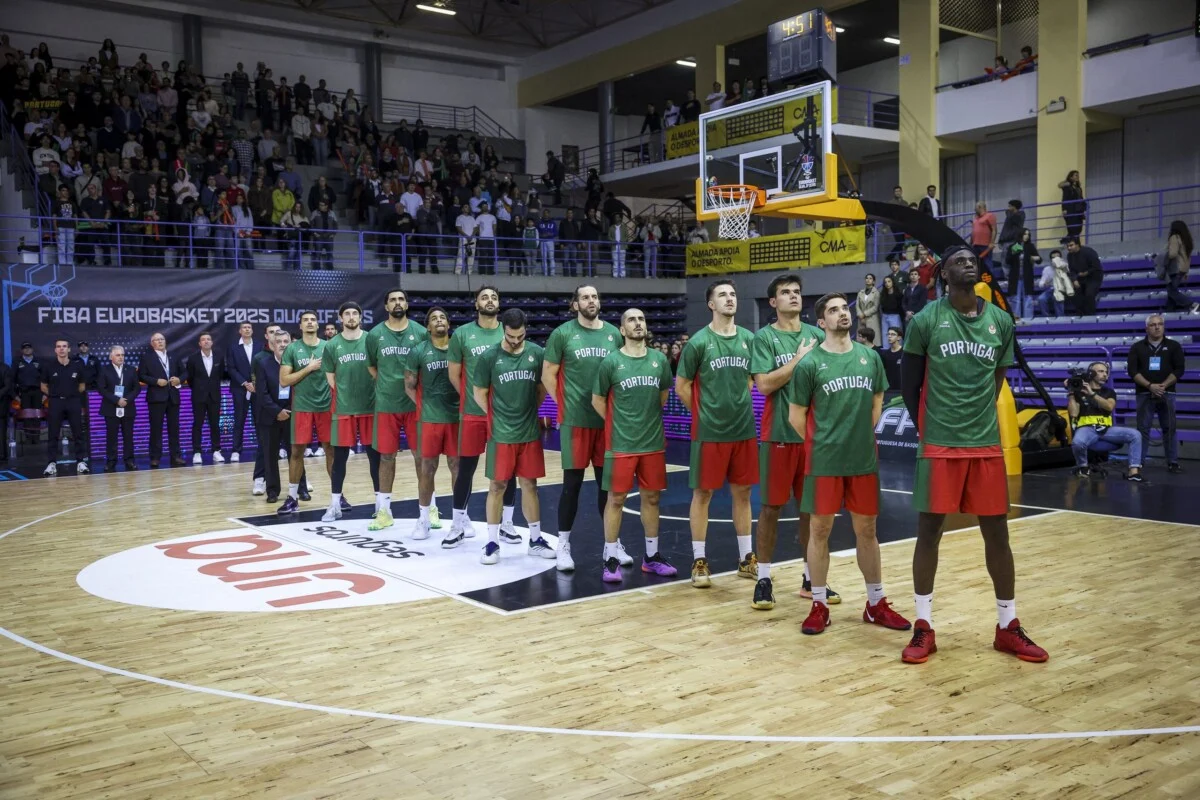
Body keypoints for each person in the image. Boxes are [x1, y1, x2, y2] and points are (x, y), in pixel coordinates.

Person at [900, 245, 1048, 664]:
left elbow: (995, 380)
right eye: (958, 260)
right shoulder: (926, 320)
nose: (968, 262)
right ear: (944, 274)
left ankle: (1008, 626)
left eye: (972, 258)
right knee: (929, 532)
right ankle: (923, 627)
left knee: (997, 533)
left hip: (984, 445)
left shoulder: (1000, 321)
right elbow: (909, 386)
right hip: (939, 445)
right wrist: (929, 429)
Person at [789, 293, 910, 636]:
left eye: (845, 308)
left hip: (862, 460)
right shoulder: (810, 364)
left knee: (868, 531)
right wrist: (825, 440)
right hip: (824, 461)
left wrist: (855, 438)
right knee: (819, 531)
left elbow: (876, 407)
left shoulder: (869, 358)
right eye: (833, 310)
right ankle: (819, 604)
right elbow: (796, 417)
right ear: (821, 322)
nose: (843, 313)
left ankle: (875, 603)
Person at [748, 275, 826, 610]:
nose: (793, 296)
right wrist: (798, 360)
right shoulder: (764, 338)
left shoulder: (819, 336)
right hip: (778, 434)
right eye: (785, 292)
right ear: (773, 302)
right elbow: (764, 385)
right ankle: (763, 578)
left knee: (811, 511)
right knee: (770, 509)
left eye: (797, 291)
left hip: (813, 438)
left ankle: (811, 579)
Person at [675, 280, 759, 588]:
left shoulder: (750, 339)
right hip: (709, 432)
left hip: (743, 430)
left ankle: (747, 559)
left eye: (733, 294)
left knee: (743, 493)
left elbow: (753, 379)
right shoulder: (698, 342)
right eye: (722, 295)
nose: (730, 299)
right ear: (711, 304)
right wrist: (704, 412)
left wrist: (736, 401)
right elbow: (682, 386)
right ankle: (699, 561)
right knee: (703, 494)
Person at [591, 308, 677, 582]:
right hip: (621, 444)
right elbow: (597, 400)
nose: (638, 323)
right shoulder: (611, 362)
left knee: (652, 498)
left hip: (652, 443)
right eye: (631, 319)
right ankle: (610, 558)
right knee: (615, 499)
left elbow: (661, 396)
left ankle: (651, 557)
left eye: (642, 318)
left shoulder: (659, 360)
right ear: (622, 330)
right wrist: (618, 423)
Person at [542, 285, 623, 572]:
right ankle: (563, 544)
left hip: (606, 422)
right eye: (585, 297)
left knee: (607, 487)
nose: (591, 301)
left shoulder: (614, 333)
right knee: (571, 486)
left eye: (595, 296)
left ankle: (611, 545)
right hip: (576, 421)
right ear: (575, 303)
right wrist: (565, 404)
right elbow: (547, 374)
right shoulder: (562, 334)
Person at [472, 308, 555, 565]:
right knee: (497, 486)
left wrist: (530, 412)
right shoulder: (489, 357)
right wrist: (497, 416)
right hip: (501, 433)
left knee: (530, 485)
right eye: (510, 337)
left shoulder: (537, 354)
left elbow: (541, 389)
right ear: (503, 331)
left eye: (520, 337)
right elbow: (479, 393)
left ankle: (535, 539)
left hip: (529, 432)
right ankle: (492, 543)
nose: (515, 341)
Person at [445, 286, 509, 547]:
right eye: (485, 297)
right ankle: (458, 524)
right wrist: (472, 398)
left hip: (504, 416)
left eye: (494, 296)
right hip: (472, 414)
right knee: (466, 470)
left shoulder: (508, 331)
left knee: (507, 471)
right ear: (476, 304)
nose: (490, 300)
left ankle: (507, 525)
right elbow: (454, 374)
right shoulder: (462, 334)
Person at [366, 289, 430, 531]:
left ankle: (428, 510)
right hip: (386, 405)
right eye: (392, 299)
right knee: (386, 457)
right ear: (386, 306)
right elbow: (372, 367)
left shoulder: (421, 332)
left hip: (415, 405)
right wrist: (388, 385)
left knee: (422, 457)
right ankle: (384, 511)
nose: (397, 302)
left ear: (407, 304)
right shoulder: (374, 335)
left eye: (401, 299)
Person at [320, 302, 379, 521]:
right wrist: (347, 393)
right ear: (340, 317)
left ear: (360, 317)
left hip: (370, 407)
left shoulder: (371, 340)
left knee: (375, 458)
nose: (351, 317)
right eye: (347, 314)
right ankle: (334, 504)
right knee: (339, 459)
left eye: (355, 313)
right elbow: (331, 378)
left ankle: (381, 505)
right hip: (343, 408)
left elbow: (379, 371)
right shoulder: (332, 344)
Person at [405, 307, 460, 540]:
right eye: (434, 318)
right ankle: (424, 519)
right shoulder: (418, 350)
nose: (439, 320)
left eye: (443, 317)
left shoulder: (459, 349)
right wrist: (423, 406)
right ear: (427, 327)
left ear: (448, 324)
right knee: (427, 469)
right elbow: (409, 385)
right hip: (429, 419)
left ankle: (460, 519)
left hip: (456, 417)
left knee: (457, 468)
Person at [279, 311, 333, 514]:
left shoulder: (328, 347)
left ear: (317, 325)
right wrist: (308, 368)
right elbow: (284, 380)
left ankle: (337, 496)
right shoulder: (292, 348)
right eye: (305, 320)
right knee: (296, 452)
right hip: (302, 407)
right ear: (300, 326)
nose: (310, 323)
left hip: (326, 406)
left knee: (331, 450)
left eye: (313, 320)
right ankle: (292, 497)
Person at [1127, 314, 1186, 474]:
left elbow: (1179, 369)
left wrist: (1163, 385)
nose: (1157, 327)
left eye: (1160, 324)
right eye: (1153, 325)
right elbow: (1132, 371)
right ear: (1147, 328)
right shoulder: (1137, 347)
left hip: (1168, 393)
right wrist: (1150, 386)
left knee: (1169, 428)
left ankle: (1172, 462)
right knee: (1143, 430)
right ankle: (1138, 463)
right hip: (1144, 393)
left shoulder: (1174, 346)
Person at [1066, 362, 1142, 481]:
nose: (1105, 375)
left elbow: (1109, 407)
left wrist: (1092, 394)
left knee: (1135, 435)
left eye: (1106, 372)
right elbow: (1074, 413)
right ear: (1091, 373)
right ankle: (1083, 467)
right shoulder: (1078, 392)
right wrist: (1071, 393)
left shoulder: (1109, 392)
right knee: (1078, 442)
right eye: (1101, 371)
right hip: (1087, 429)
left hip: (1106, 430)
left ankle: (1133, 472)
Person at [39, 338, 89, 476]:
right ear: (55, 350)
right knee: (53, 434)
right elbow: (43, 385)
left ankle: (80, 462)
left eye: (64, 346)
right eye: (58, 346)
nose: (61, 349)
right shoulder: (49, 366)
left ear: (69, 349)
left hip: (73, 401)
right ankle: (51, 463)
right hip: (56, 402)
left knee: (78, 433)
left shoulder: (77, 366)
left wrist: (71, 394)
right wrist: (55, 394)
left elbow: (82, 385)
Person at [254, 330, 293, 503]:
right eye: (279, 342)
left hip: (292, 416)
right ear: (272, 344)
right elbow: (261, 393)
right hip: (270, 417)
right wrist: (277, 411)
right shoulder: (262, 363)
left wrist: (289, 410)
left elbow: (300, 391)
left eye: (286, 341)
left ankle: (300, 488)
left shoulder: (296, 364)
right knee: (270, 456)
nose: (283, 344)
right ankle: (272, 491)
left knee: (296, 454)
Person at [137, 332, 184, 468]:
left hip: (173, 397)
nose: (160, 341)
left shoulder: (174, 355)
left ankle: (176, 456)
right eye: (157, 340)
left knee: (174, 428)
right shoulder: (147, 357)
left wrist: (179, 379)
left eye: (162, 339)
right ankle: (155, 457)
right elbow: (141, 376)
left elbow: (185, 372)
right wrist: (156, 381)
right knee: (156, 429)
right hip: (156, 397)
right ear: (152, 344)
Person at [181, 332, 226, 464]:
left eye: (208, 339)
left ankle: (216, 451)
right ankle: (197, 452)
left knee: (215, 425)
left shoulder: (219, 357)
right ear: (199, 344)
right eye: (203, 340)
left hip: (215, 396)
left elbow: (221, 375)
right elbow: (190, 378)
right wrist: (199, 389)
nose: (206, 341)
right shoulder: (193, 359)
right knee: (198, 425)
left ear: (212, 342)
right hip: (198, 396)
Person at [96, 345, 140, 471]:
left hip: (128, 407)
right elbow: (101, 388)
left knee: (128, 436)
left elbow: (136, 388)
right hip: (110, 407)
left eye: (122, 355)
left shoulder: (131, 369)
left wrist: (126, 400)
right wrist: (117, 400)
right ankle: (111, 461)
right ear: (111, 357)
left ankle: (129, 460)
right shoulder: (104, 370)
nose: (121, 357)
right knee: (111, 436)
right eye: (118, 355)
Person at [225, 322, 256, 465]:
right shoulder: (232, 348)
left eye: (249, 327)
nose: (247, 329)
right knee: (239, 420)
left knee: (260, 420)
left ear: (252, 330)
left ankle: (265, 448)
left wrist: (255, 383)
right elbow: (231, 368)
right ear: (240, 331)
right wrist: (245, 383)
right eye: (244, 327)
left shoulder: (260, 345)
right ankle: (236, 451)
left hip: (257, 388)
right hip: (240, 388)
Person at [1155, 220, 1198, 314]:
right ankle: (1169, 313)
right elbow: (1188, 257)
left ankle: (1192, 304)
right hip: (1182, 269)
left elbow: (1173, 254)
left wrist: (1164, 257)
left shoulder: (1174, 237)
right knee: (1171, 294)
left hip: (1175, 268)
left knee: (1172, 291)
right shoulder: (1186, 240)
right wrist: (1186, 272)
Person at [1005, 228, 1041, 321]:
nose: (1027, 236)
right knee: (1015, 299)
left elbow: (1039, 260)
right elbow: (1007, 260)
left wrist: (1035, 258)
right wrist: (1013, 252)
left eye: (1028, 234)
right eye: (1025, 234)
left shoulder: (1030, 246)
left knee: (1028, 299)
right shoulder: (1013, 246)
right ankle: (1016, 320)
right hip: (1015, 277)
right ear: (1020, 235)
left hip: (1027, 277)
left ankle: (1028, 320)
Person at [1066, 237, 1103, 316]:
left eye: (1071, 245)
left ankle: (1090, 315)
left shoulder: (1089, 252)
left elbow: (1096, 267)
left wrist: (1086, 272)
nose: (1069, 248)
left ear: (1077, 244)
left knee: (1089, 294)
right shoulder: (1069, 256)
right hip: (1080, 278)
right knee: (1074, 295)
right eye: (1067, 246)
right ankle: (1080, 315)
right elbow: (1071, 270)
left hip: (1093, 277)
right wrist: (1074, 280)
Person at [1035, 249, 1073, 317]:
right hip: (1051, 289)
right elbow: (1041, 282)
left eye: (1057, 257)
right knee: (1041, 299)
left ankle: (1060, 317)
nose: (1055, 259)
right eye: (1053, 258)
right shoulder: (1047, 269)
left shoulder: (1065, 267)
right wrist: (1044, 283)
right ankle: (1046, 318)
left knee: (1057, 296)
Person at [970, 201, 997, 275]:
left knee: (987, 263)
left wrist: (992, 242)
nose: (975, 210)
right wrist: (970, 243)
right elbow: (973, 231)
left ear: (980, 207)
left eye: (976, 208)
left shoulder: (989, 216)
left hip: (985, 245)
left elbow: (994, 230)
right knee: (976, 263)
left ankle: (991, 282)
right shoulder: (975, 218)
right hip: (975, 244)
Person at [1058, 170, 1086, 242]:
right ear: (1071, 177)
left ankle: (1066, 241)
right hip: (1070, 210)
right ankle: (1073, 243)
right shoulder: (1067, 187)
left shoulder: (1079, 188)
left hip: (1079, 211)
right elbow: (1065, 198)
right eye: (1076, 175)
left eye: (1078, 175)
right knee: (1073, 229)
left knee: (1079, 229)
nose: (1077, 177)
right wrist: (1064, 209)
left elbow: (1081, 198)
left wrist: (1084, 206)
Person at [855, 273, 882, 344]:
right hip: (861, 319)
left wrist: (864, 314)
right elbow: (857, 305)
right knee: (861, 339)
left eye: (870, 278)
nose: (868, 280)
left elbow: (875, 307)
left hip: (871, 318)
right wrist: (860, 314)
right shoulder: (860, 292)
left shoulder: (876, 293)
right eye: (867, 278)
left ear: (874, 281)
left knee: (872, 339)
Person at [880, 327, 904, 400]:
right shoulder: (885, 354)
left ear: (899, 337)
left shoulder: (905, 353)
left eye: (893, 334)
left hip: (902, 389)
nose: (890, 336)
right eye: (888, 334)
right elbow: (882, 372)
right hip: (889, 390)